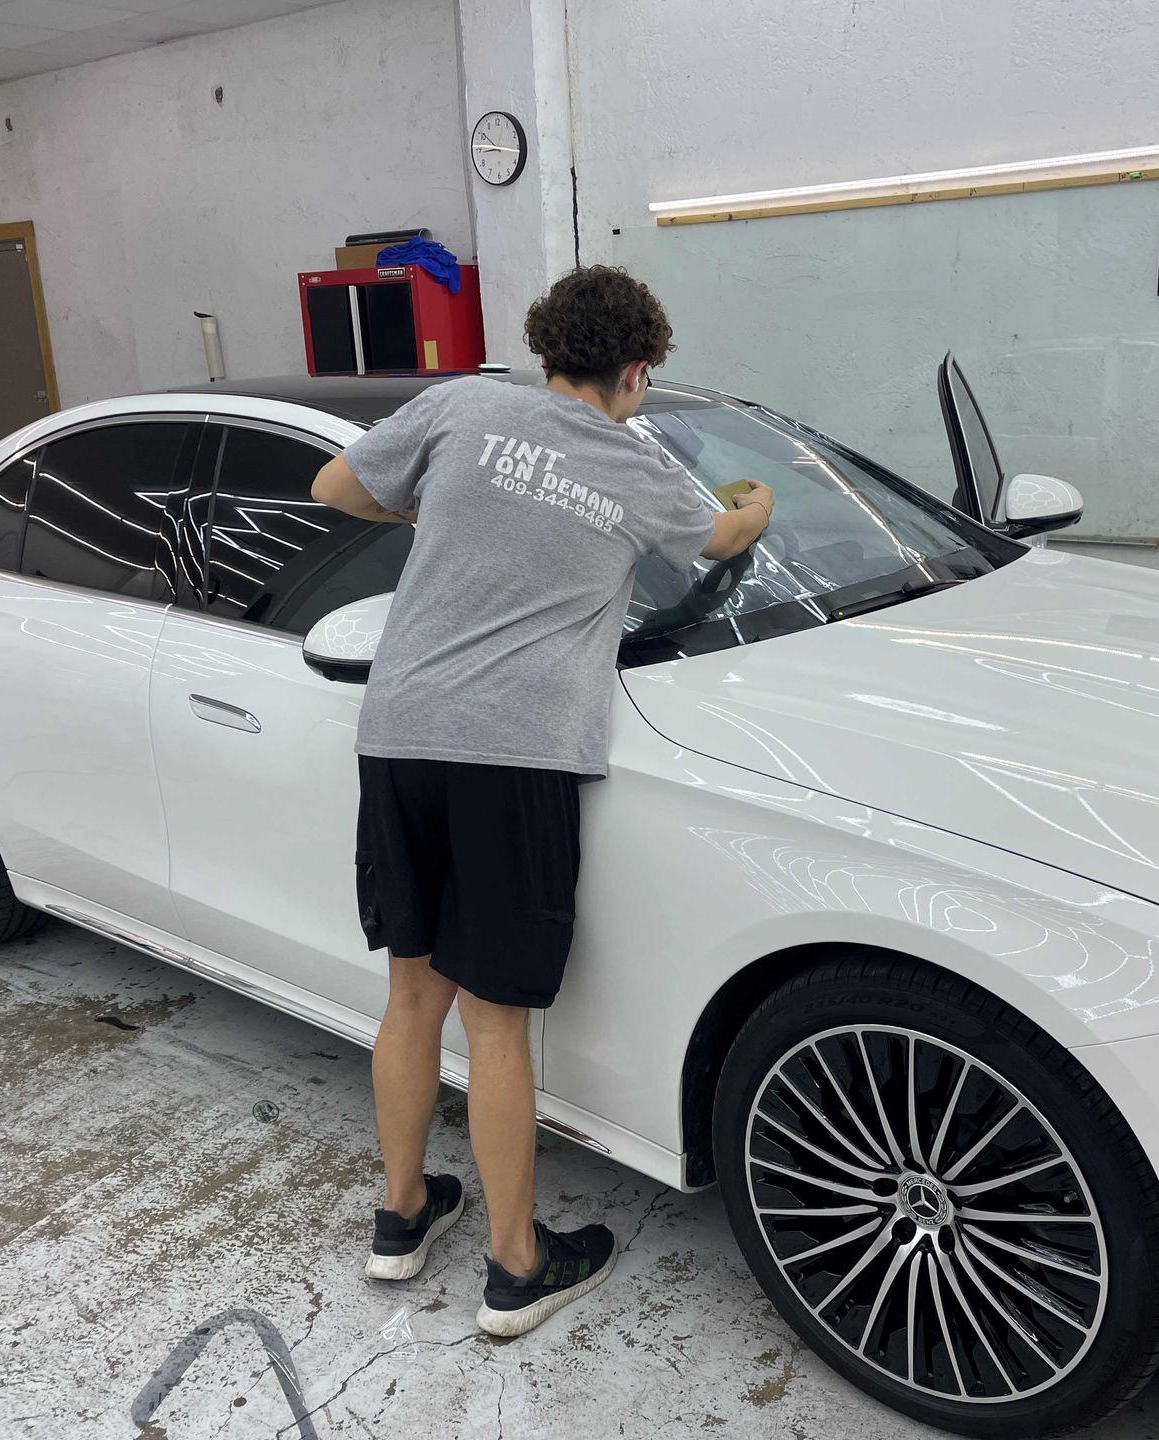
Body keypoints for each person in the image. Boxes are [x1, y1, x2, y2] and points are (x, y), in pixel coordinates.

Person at [311, 266, 773, 1336]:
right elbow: (719, 542)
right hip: (515, 758)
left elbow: (334, 489)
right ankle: (517, 1267)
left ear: (544, 350)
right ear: (637, 372)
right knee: (499, 1019)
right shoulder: (637, 462)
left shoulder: (461, 406)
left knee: (412, 991)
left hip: (401, 734)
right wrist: (758, 500)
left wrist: (447, 507)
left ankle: (400, 1219)